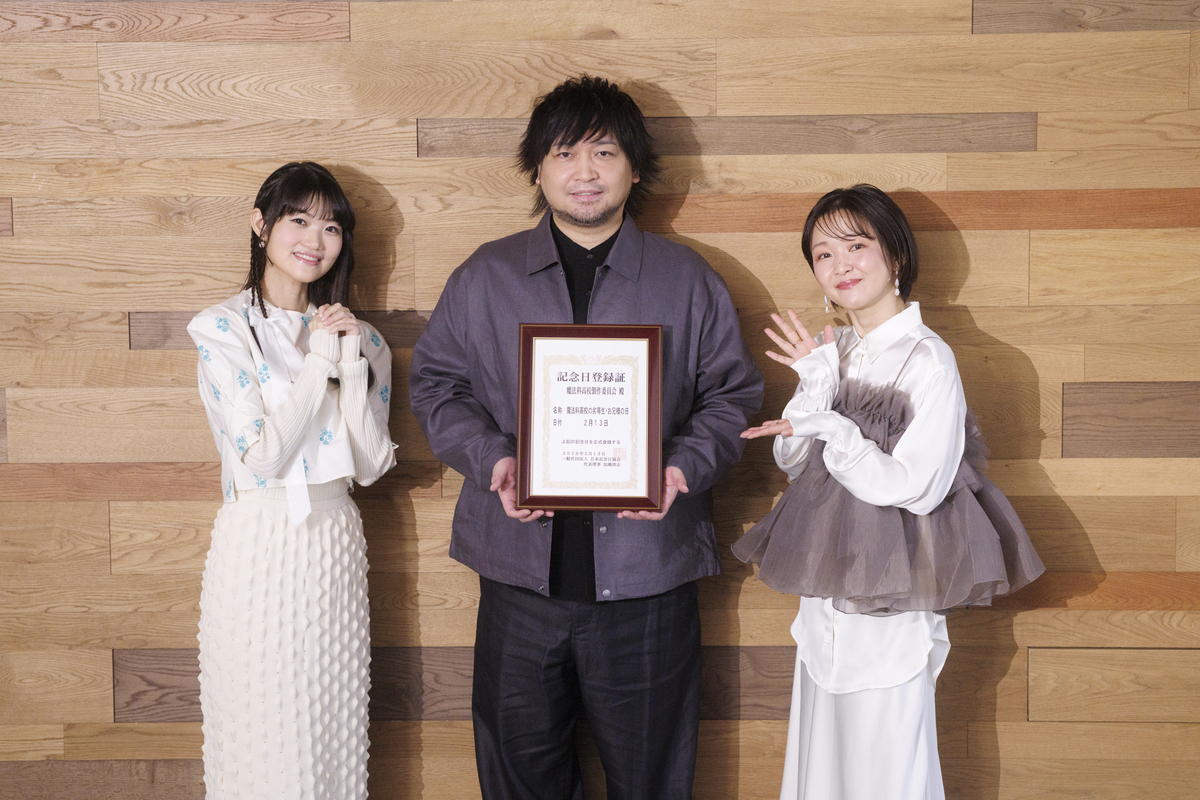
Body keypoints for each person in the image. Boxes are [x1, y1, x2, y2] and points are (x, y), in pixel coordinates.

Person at [409, 75, 764, 799]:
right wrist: (494, 459)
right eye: (565, 153)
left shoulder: (688, 279)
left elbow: (733, 397)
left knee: (652, 781)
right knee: (519, 778)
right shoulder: (485, 276)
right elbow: (436, 388)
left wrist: (681, 468)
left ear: (634, 167)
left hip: (649, 578)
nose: (585, 171)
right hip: (518, 578)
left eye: (604, 152)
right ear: (537, 169)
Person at [732, 184, 1044, 800]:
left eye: (856, 245)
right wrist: (814, 385)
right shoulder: (836, 350)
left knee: (887, 762)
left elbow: (918, 488)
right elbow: (795, 464)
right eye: (823, 254)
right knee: (822, 756)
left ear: (895, 255)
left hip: (895, 593)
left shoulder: (929, 359)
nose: (840, 264)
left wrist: (834, 426)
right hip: (827, 590)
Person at [188, 161, 397, 799]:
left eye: (331, 227)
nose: (315, 239)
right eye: (298, 220)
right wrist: (316, 363)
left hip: (334, 539)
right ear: (261, 226)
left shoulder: (364, 339)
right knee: (260, 727)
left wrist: (351, 364)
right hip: (258, 539)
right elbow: (262, 456)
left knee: (330, 727)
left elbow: (372, 466)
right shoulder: (222, 327)